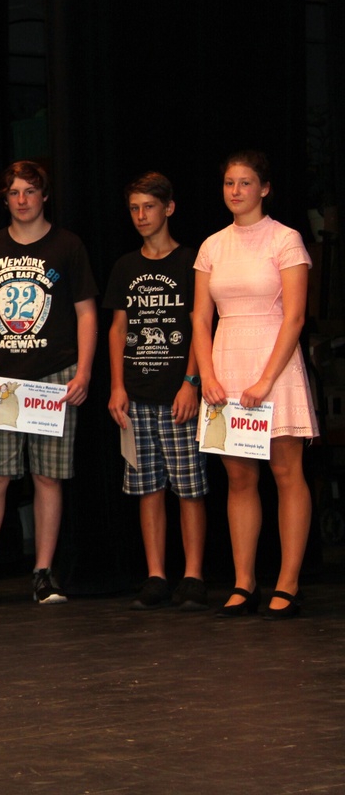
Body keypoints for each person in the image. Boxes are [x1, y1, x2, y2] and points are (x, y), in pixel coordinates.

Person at [0, 160, 98, 607]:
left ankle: (43, 573)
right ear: (5, 199)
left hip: (54, 377)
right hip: (1, 379)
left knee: (48, 476)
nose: (22, 200)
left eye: (30, 191)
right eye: (14, 192)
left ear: (44, 196)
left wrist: (83, 371)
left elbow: (86, 312)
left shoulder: (67, 245)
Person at [192, 150, 318, 619]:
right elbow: (200, 318)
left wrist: (266, 379)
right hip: (226, 365)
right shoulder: (212, 245)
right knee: (240, 478)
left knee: (286, 473)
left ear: (264, 188)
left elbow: (296, 316)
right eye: (229, 183)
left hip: (275, 366)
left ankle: (288, 583)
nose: (236, 191)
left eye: (245, 183)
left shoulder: (285, 239)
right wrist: (207, 375)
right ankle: (244, 582)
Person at [105, 173, 209, 611]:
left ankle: (193, 575)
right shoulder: (126, 266)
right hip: (137, 394)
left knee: (189, 487)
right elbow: (118, 328)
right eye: (134, 208)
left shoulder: (190, 261)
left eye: (149, 206)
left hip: (177, 392)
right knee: (147, 487)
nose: (141, 215)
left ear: (169, 208)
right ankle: (156, 575)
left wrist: (191, 382)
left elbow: (200, 325)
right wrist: (116, 386)